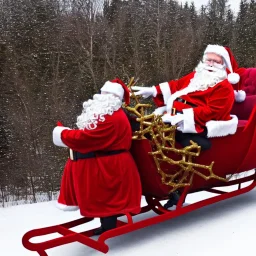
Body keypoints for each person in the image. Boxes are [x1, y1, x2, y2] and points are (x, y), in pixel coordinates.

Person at [52, 78, 142, 235]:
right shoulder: (108, 114)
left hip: (109, 168)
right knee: (104, 198)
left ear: (113, 98)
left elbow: (88, 138)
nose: (100, 96)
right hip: (107, 164)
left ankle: (108, 226)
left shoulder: (111, 117)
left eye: (105, 93)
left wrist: (63, 134)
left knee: (106, 199)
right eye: (102, 92)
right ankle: (107, 224)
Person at [132, 44, 243, 151]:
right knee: (143, 125)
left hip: (194, 123)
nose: (211, 64)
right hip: (172, 115)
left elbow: (213, 111)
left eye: (216, 61)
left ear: (223, 64)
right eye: (209, 60)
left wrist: (185, 117)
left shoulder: (224, 87)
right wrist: (154, 90)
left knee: (152, 131)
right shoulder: (197, 75)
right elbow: (177, 85)